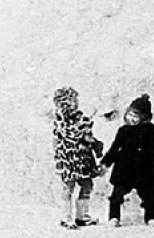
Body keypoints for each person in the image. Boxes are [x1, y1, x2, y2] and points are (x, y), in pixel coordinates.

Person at [100, 94, 154, 227]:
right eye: (130, 115)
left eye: (136, 116)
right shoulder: (124, 130)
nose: (131, 119)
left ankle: (151, 216)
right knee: (117, 193)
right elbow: (115, 148)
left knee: (149, 195)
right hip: (124, 168)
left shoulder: (153, 131)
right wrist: (106, 162)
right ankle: (114, 216)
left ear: (144, 117)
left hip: (145, 168)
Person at [52, 86, 104, 229]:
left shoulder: (79, 117)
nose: (75, 103)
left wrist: (93, 142)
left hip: (82, 158)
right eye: (72, 100)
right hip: (68, 158)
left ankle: (82, 215)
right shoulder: (61, 120)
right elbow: (72, 134)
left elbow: (87, 136)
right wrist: (85, 127)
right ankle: (66, 217)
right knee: (69, 187)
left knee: (87, 185)